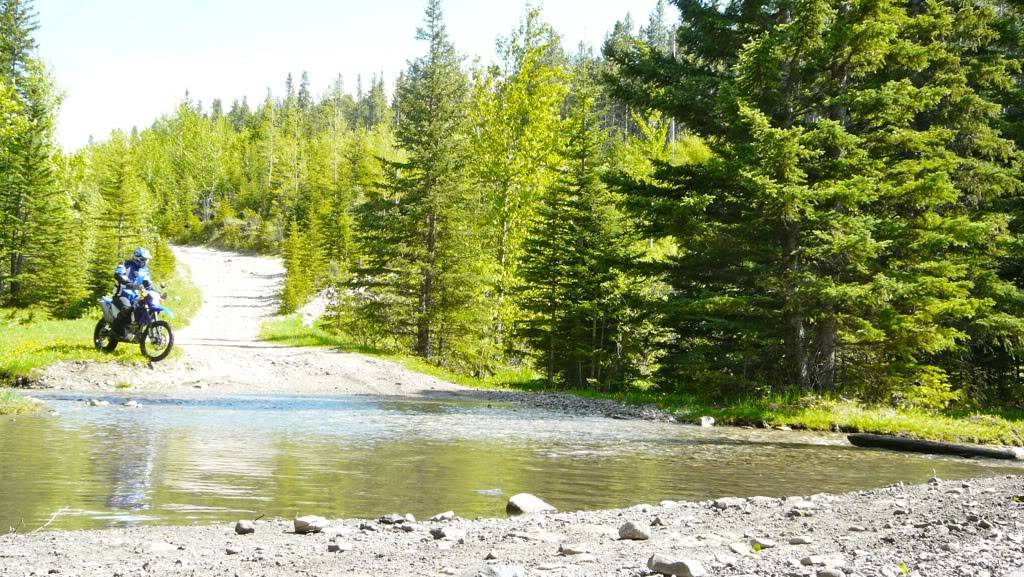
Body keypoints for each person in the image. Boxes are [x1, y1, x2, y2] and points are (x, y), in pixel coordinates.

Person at [111, 247, 153, 338]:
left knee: (145, 307)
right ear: (136, 257)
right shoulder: (125, 265)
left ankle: (138, 330)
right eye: (143, 259)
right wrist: (129, 283)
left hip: (134, 297)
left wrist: (155, 291)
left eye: (147, 260)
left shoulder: (144, 270)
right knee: (127, 308)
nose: (145, 262)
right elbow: (118, 274)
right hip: (120, 295)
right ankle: (115, 330)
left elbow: (148, 284)